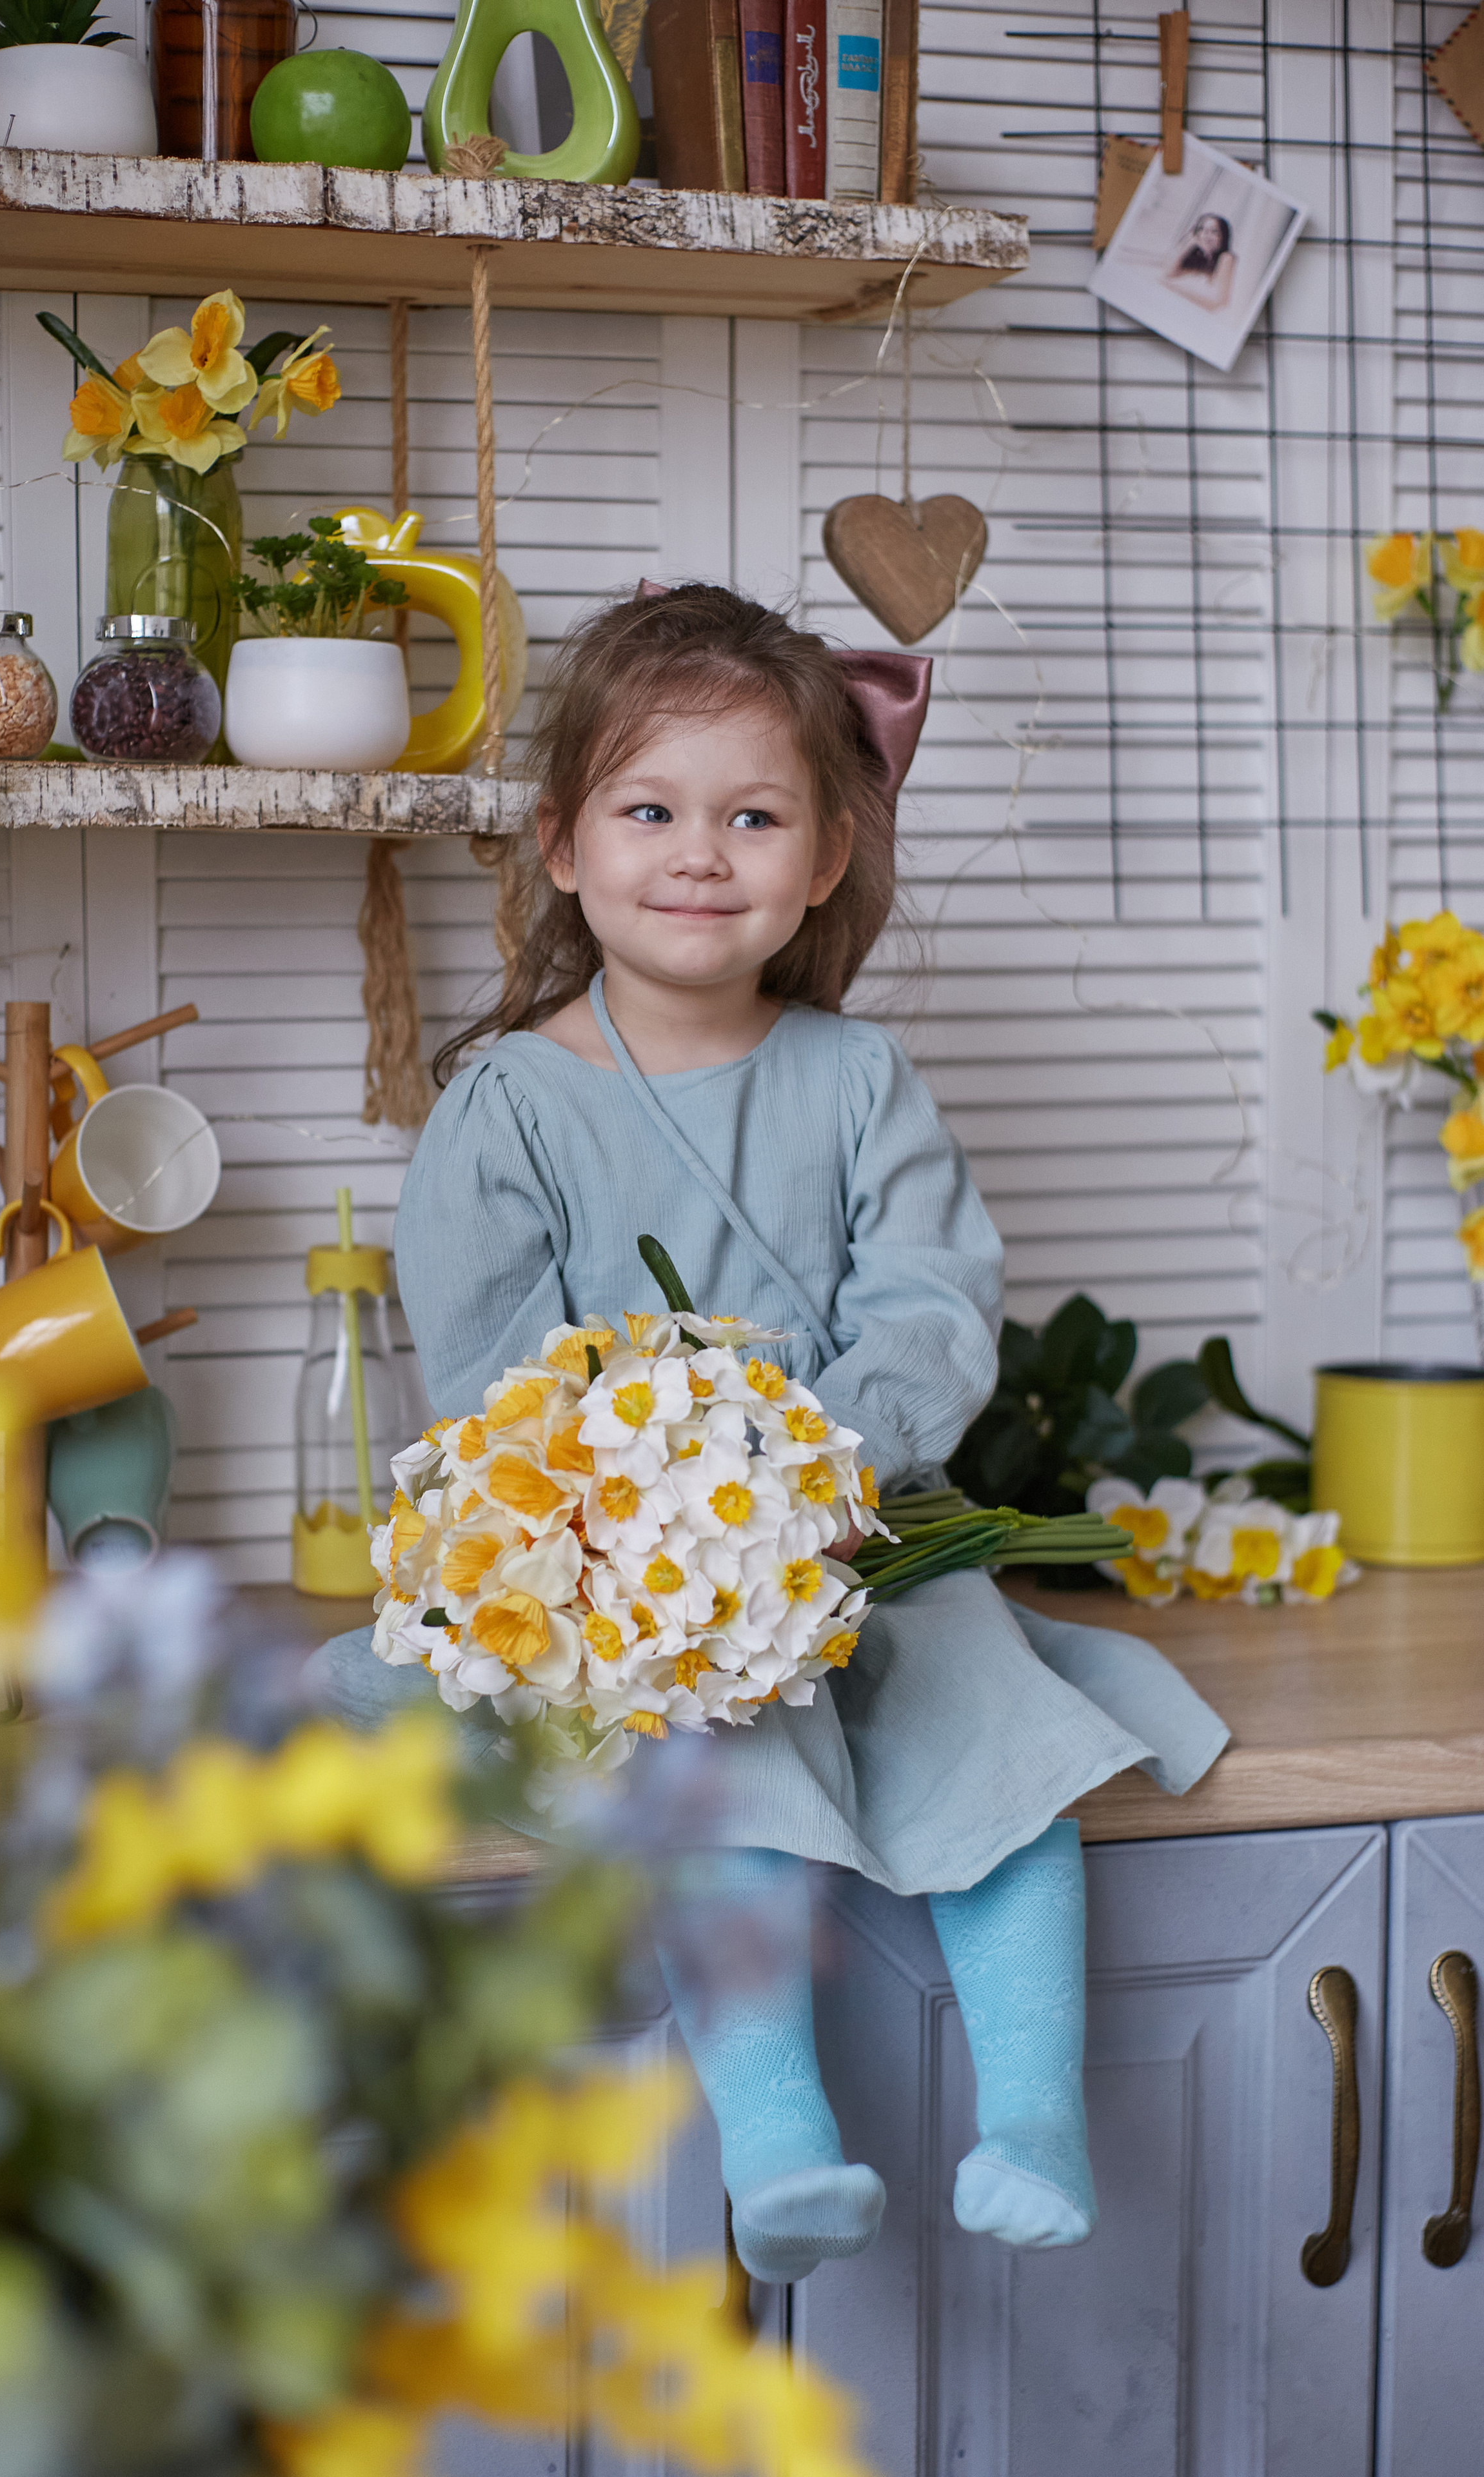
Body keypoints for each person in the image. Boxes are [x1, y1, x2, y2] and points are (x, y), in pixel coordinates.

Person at [308, 584, 1227, 2285]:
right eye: (650, 810)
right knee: (717, 1764)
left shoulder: (856, 1080)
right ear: (563, 846)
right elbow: (499, 1373)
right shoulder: (509, 1105)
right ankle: (779, 2134)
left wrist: (828, 1478)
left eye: (754, 818)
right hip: (631, 1572)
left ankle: (1032, 2112)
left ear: (823, 860)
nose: (700, 855)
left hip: (867, 1527)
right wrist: (670, 1518)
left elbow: (934, 1292)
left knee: (1002, 1752)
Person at [1163, 211, 1237, 312]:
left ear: (1223, 237)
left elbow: (1221, 304)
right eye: (1202, 230)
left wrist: (1176, 290)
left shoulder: (1226, 258)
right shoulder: (1199, 257)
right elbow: (1169, 274)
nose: (1206, 235)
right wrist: (1189, 245)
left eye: (1214, 232)